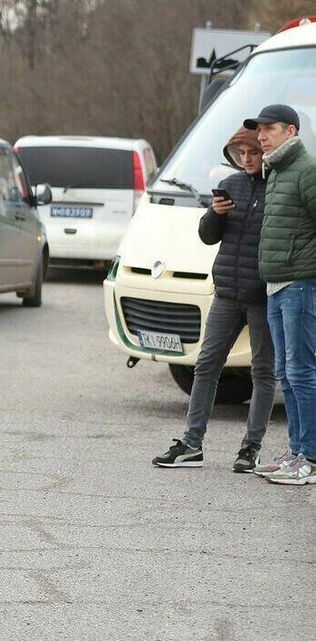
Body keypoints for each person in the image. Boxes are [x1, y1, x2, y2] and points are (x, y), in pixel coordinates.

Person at [152, 128, 274, 472]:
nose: (246, 159)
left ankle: (250, 449)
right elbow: (207, 236)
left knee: (263, 372)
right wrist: (215, 213)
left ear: (265, 152)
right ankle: (192, 444)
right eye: (240, 154)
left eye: (252, 153)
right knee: (205, 365)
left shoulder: (280, 187)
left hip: (263, 297)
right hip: (227, 294)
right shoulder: (231, 185)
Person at [244, 104, 316, 486]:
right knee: (285, 374)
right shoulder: (275, 170)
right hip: (275, 285)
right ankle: (295, 451)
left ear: (290, 131)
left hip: (300, 284)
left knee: (302, 372)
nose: (261, 136)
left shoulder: (306, 169)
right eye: (259, 130)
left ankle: (311, 459)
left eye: (269, 129)